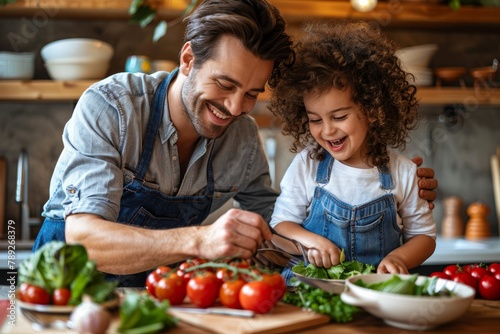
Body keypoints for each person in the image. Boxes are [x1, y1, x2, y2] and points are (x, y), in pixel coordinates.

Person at [32, 1, 437, 287]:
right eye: (225, 85)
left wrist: (362, 185)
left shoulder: (241, 136)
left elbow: (276, 233)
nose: (234, 107)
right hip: (64, 296)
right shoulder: (112, 108)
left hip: (154, 300)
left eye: (251, 94)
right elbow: (82, 239)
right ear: (188, 59)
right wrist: (200, 240)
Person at [267, 21, 437, 283]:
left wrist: (400, 258)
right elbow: (281, 224)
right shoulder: (307, 164)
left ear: (372, 110)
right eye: (315, 119)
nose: (327, 130)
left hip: (374, 290)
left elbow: (424, 237)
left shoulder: (403, 172)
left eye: (339, 116)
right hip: (310, 288)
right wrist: (310, 242)